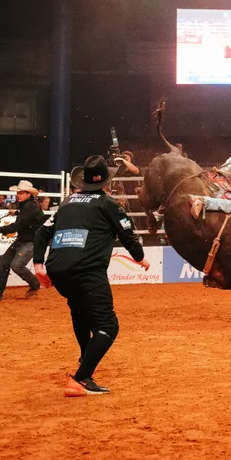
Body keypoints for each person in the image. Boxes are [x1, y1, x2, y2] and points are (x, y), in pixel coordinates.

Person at [33, 156, 149, 396]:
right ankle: (81, 377)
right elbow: (129, 236)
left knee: (80, 311)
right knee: (108, 325)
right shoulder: (108, 204)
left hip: (58, 269)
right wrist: (140, 258)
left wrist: (38, 265)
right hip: (87, 270)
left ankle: (85, 367)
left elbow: (41, 234)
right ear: (106, 181)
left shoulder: (67, 203)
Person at [0, 181, 46, 301]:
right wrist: (16, 212)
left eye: (21, 193)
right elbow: (25, 217)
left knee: (16, 265)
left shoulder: (29, 206)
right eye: (18, 193)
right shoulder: (28, 205)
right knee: (4, 263)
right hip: (25, 239)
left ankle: (35, 283)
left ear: (28, 194)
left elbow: (17, 226)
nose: (18, 195)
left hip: (32, 241)